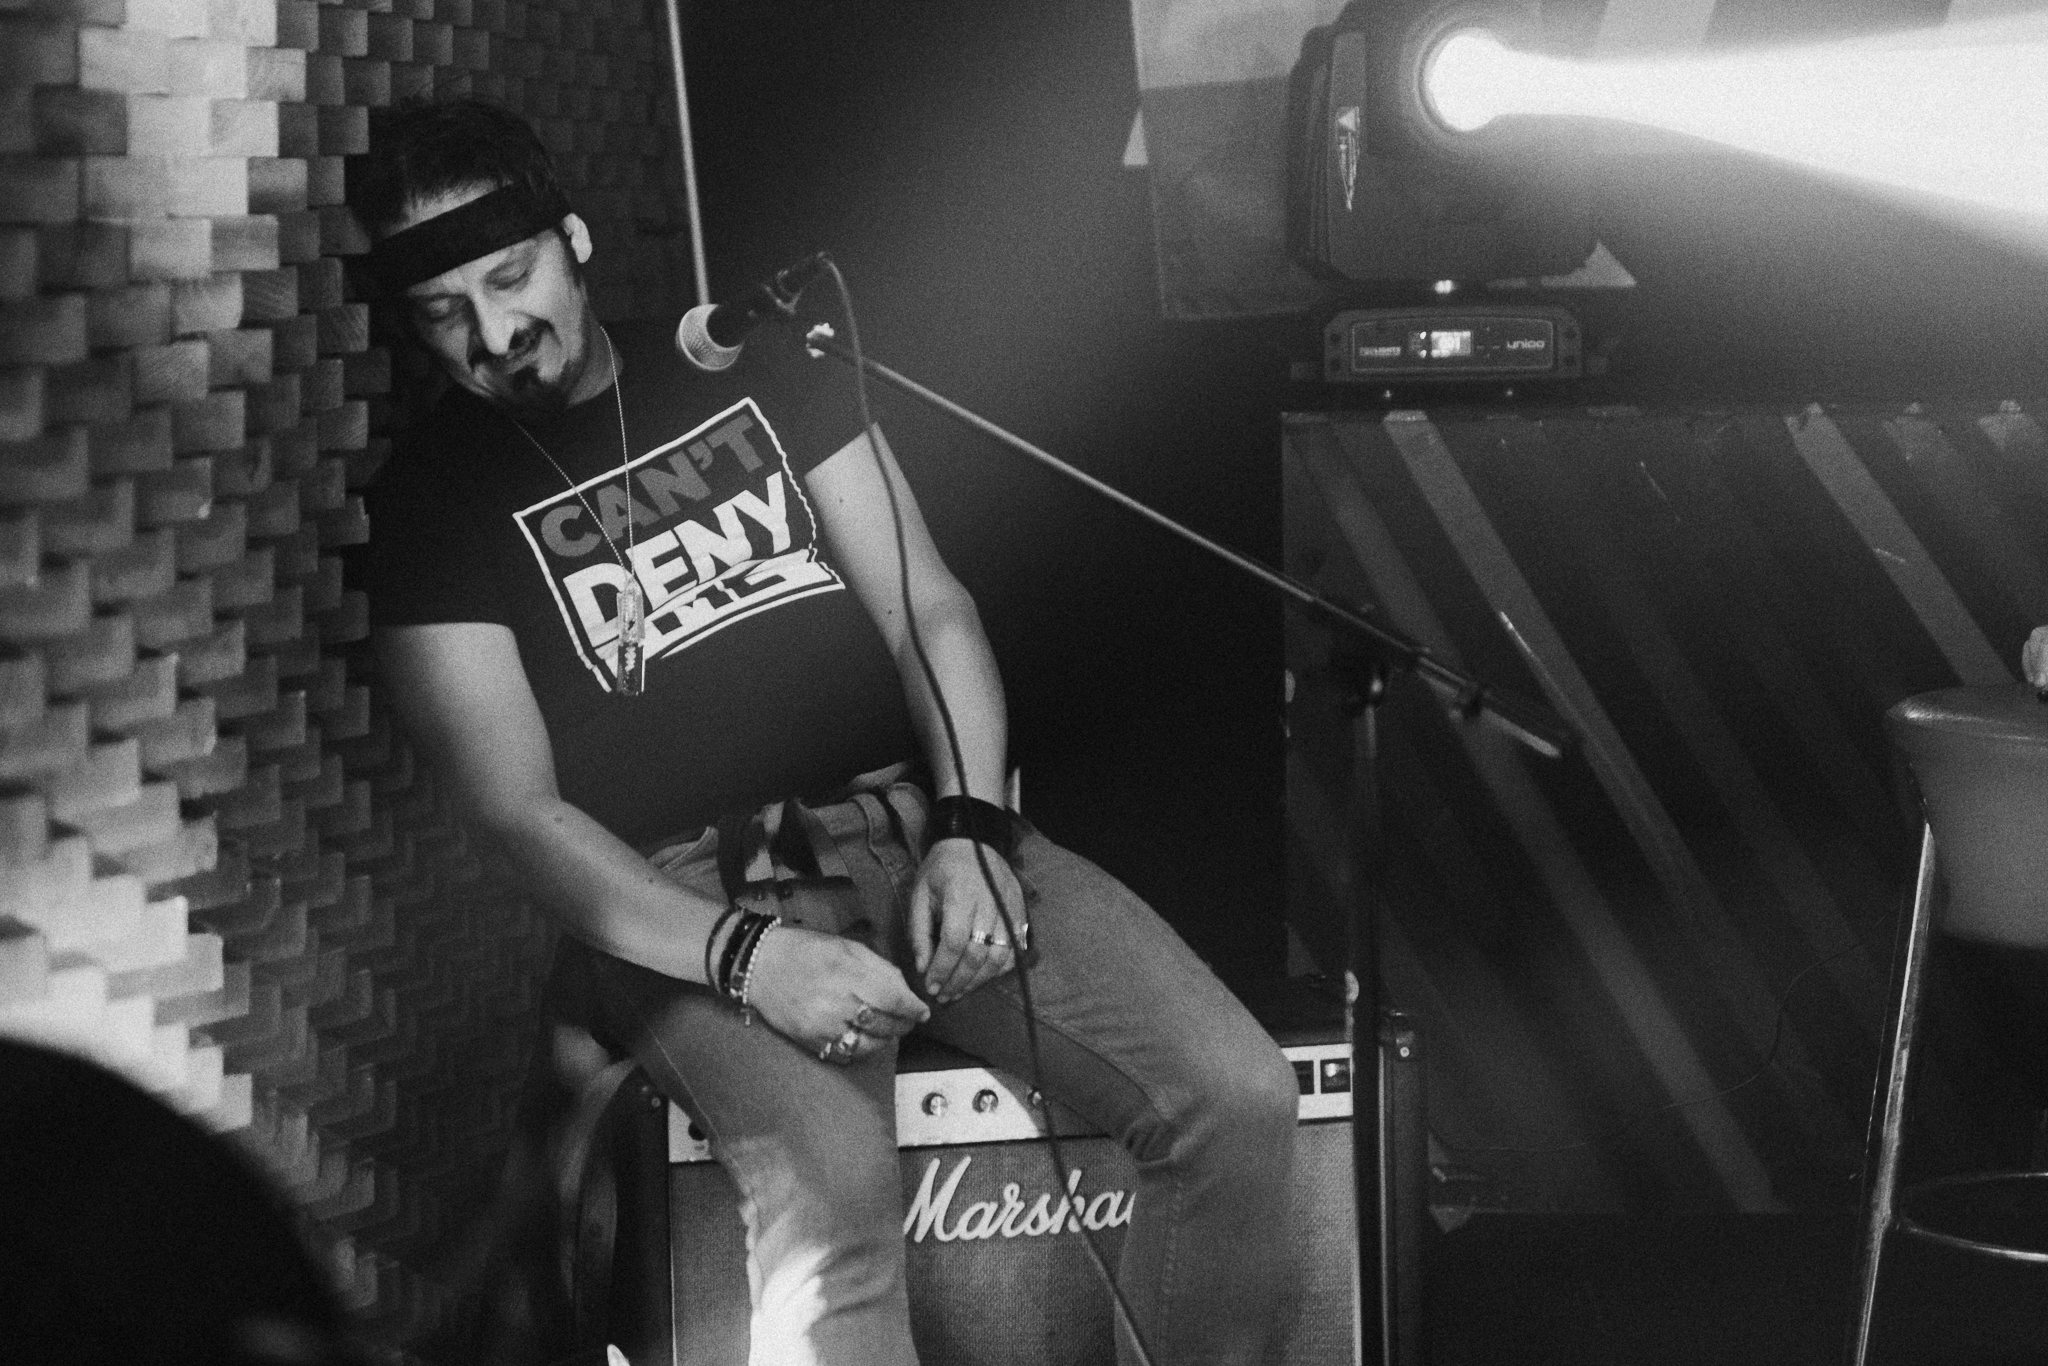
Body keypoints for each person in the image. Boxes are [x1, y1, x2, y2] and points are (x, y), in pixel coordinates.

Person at [349, 99, 1299, 1366]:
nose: (493, 332)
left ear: (572, 241)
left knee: (1236, 1098)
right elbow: (514, 816)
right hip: (683, 894)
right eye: (444, 312)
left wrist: (972, 829)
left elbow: (930, 613)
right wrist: (748, 959)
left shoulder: (741, 367)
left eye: (509, 276)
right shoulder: (427, 506)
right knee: (834, 1205)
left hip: (913, 825)